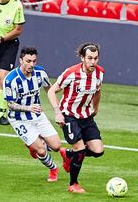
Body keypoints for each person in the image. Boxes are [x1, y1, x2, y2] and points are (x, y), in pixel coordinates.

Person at [47, 42, 105, 193]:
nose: (93, 62)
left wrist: (96, 107)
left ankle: (68, 154)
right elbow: (51, 91)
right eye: (90, 58)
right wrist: (57, 112)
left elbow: (98, 91)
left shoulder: (99, 73)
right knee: (80, 149)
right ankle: (73, 184)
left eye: (96, 58)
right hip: (69, 115)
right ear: (82, 58)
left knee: (98, 151)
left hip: (86, 117)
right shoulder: (71, 73)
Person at [3, 46, 62, 182]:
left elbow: (50, 89)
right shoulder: (11, 79)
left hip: (37, 115)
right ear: (21, 60)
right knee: (41, 150)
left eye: (34, 61)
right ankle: (53, 168)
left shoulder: (40, 73)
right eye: (28, 61)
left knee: (57, 146)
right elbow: (10, 104)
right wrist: (28, 108)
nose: (31, 64)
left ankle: (33, 144)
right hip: (18, 119)